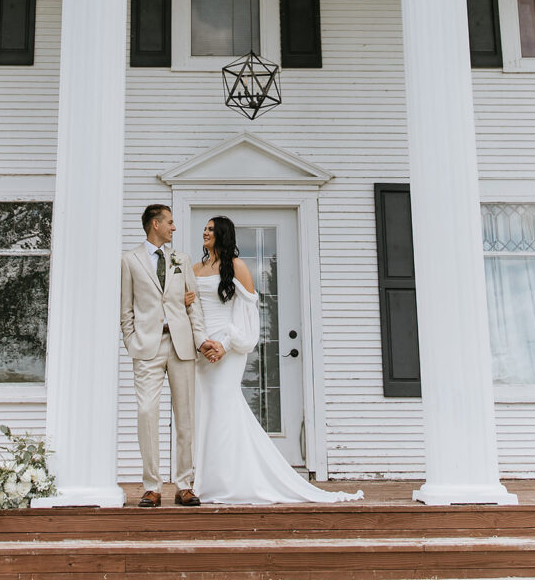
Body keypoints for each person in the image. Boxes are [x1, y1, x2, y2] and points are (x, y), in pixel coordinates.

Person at [185, 215, 364, 505]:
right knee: (208, 412)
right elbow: (193, 310)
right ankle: (210, 482)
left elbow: (247, 315)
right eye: (204, 229)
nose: (205, 233)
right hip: (203, 347)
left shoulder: (237, 267)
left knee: (224, 406)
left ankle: (233, 482)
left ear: (223, 234)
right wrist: (200, 340)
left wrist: (226, 344)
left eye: (210, 229)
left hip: (228, 347)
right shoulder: (194, 269)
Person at [120, 204, 220, 507]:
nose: (174, 228)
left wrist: (200, 339)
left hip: (181, 345)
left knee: (185, 417)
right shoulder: (130, 260)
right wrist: (132, 341)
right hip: (147, 347)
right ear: (155, 224)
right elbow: (126, 309)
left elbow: (193, 306)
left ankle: (184, 484)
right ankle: (152, 486)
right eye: (170, 223)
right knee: (147, 413)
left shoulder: (181, 259)